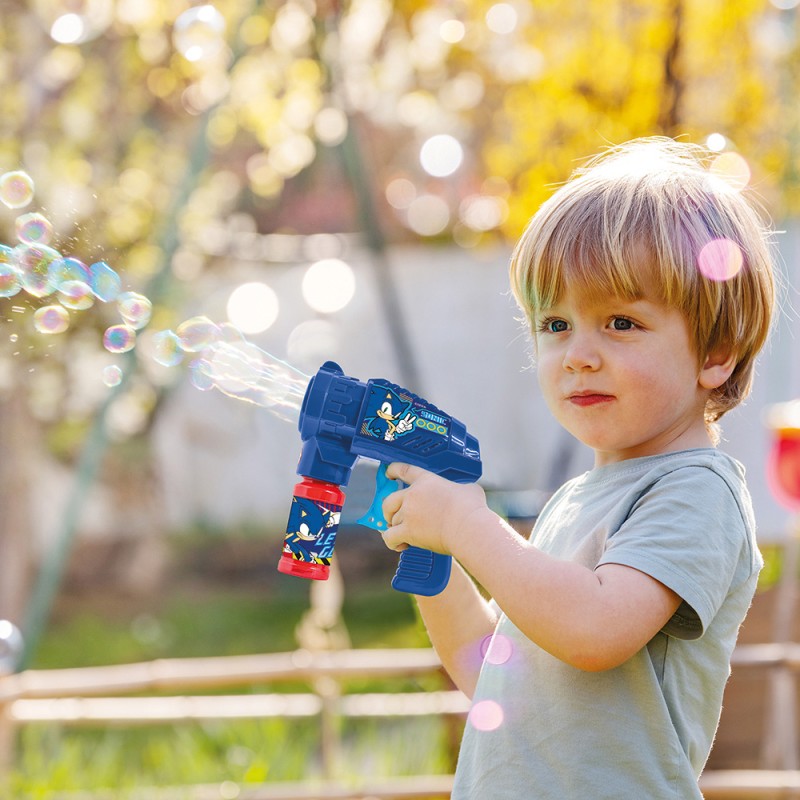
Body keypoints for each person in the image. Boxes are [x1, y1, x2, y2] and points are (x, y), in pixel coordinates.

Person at [380, 137, 777, 799]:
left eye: (619, 322)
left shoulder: (696, 492)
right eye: (555, 324)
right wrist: (436, 555)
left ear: (716, 354)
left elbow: (594, 631)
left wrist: (471, 526)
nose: (577, 355)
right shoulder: (575, 503)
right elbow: (491, 680)